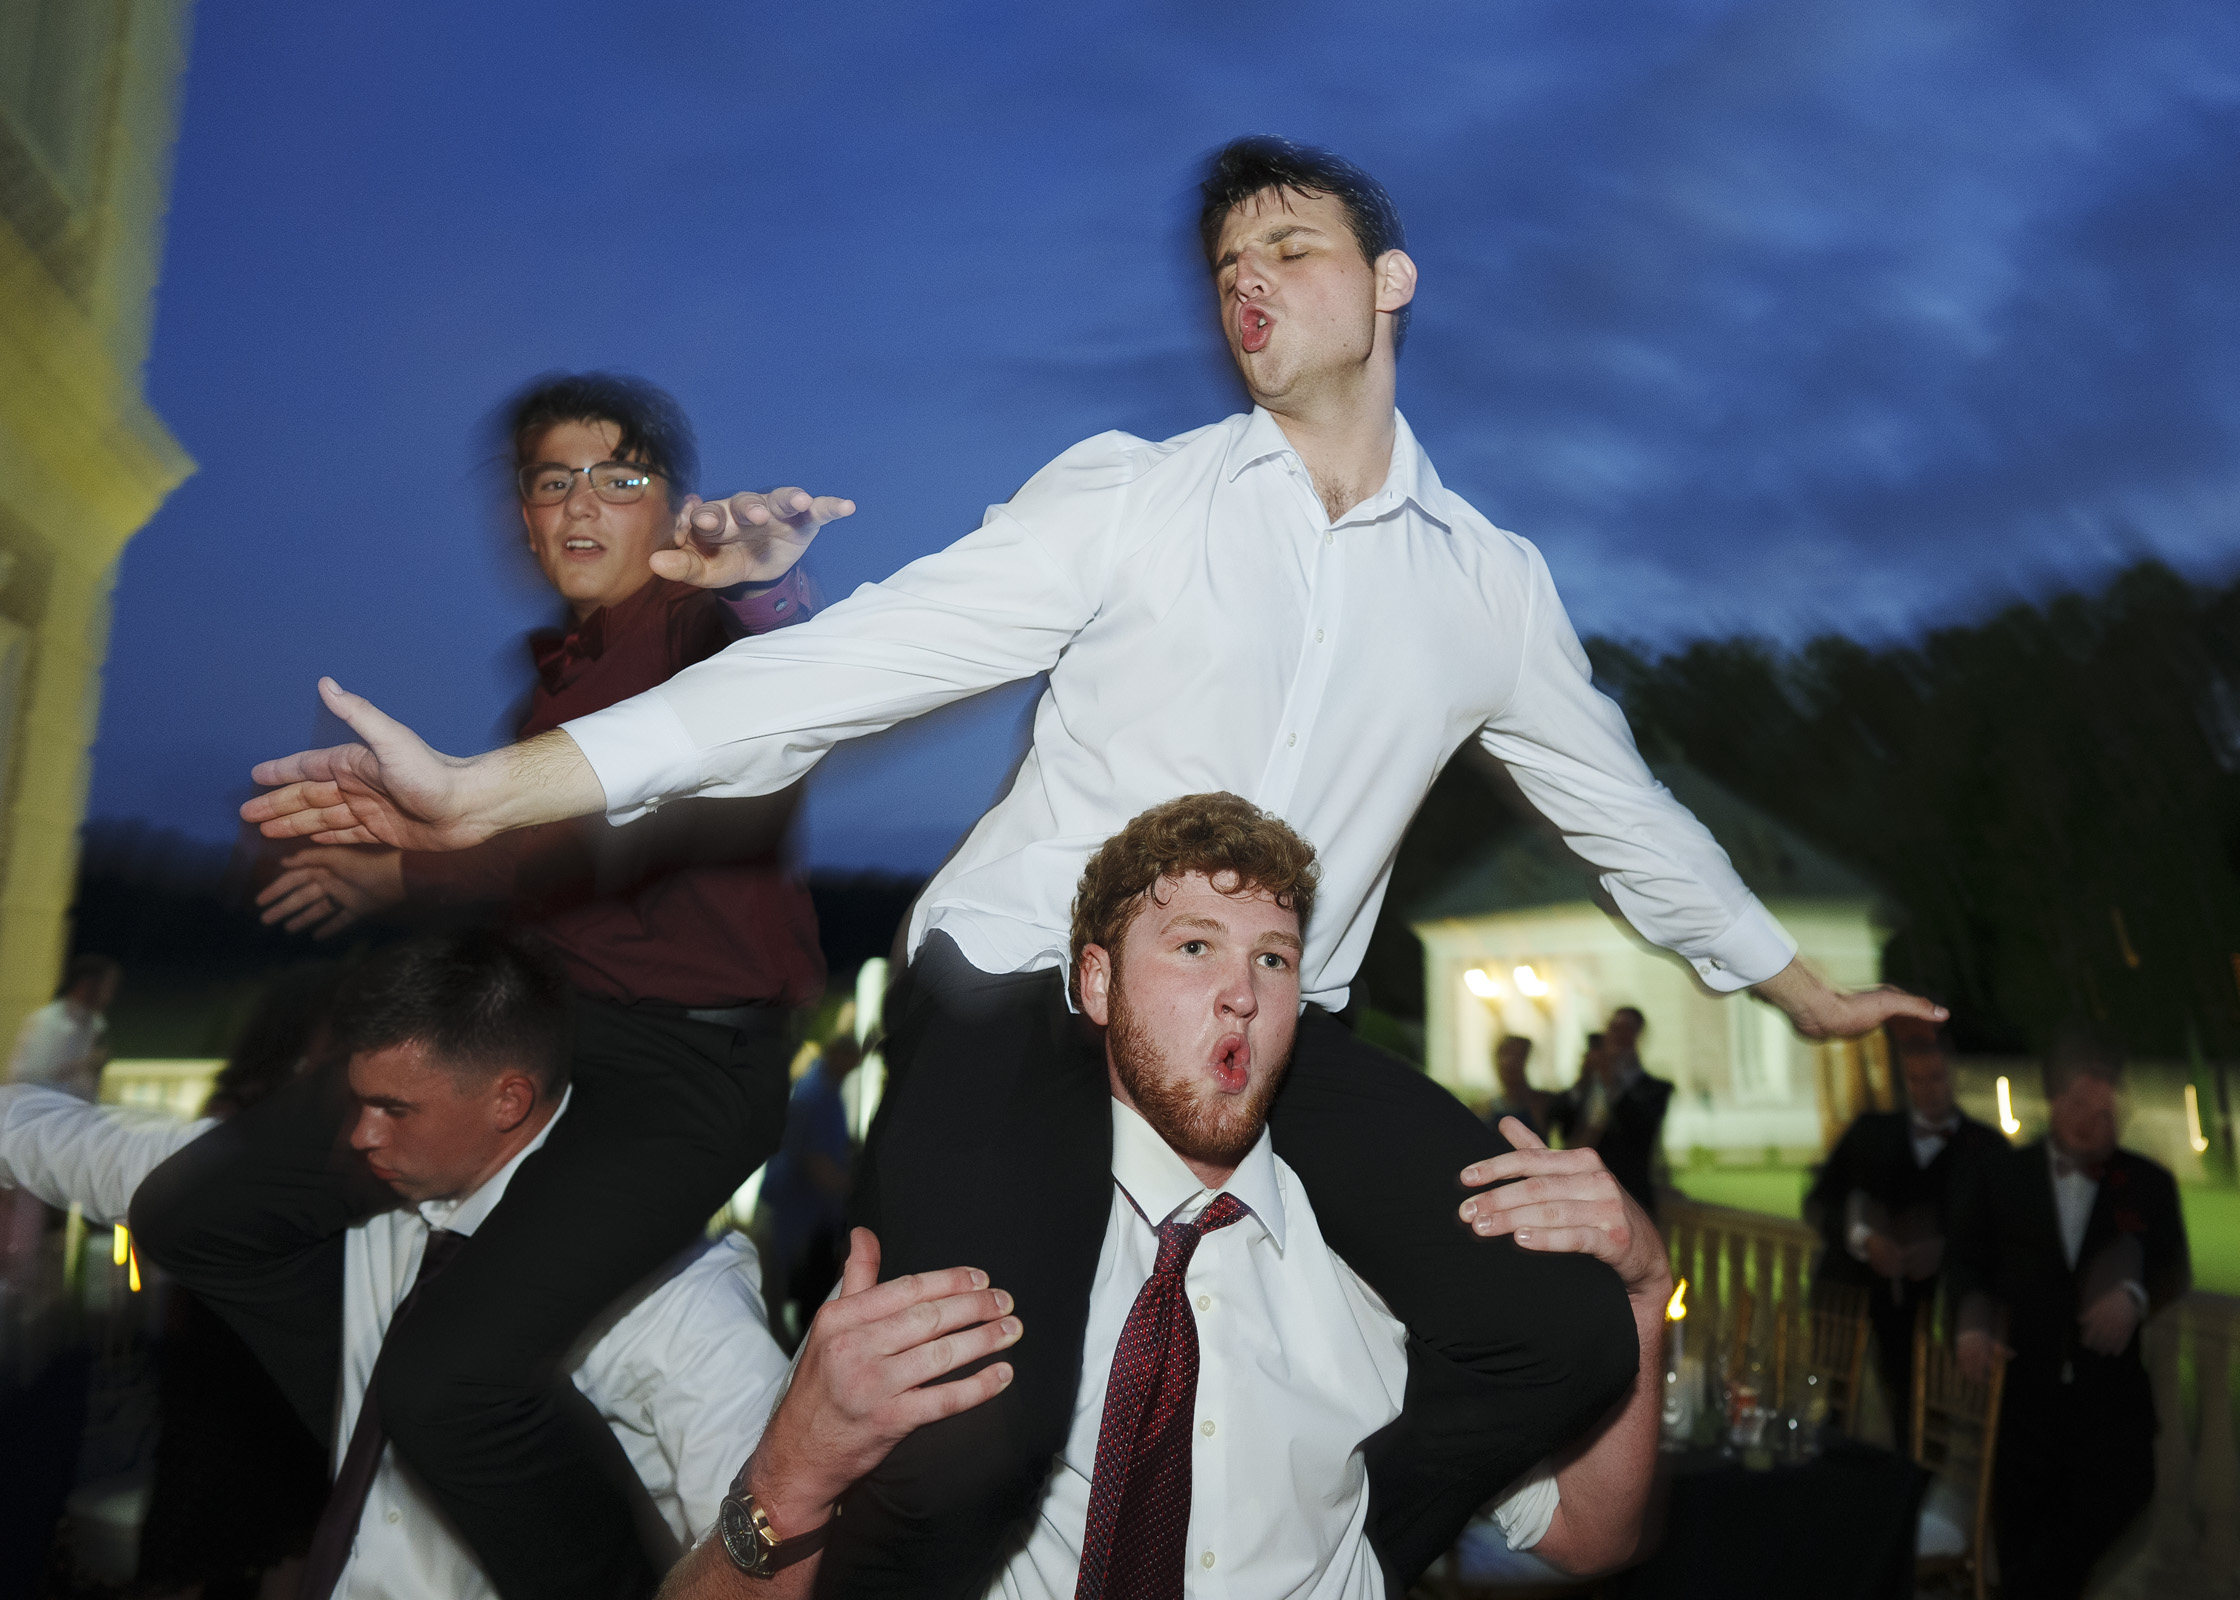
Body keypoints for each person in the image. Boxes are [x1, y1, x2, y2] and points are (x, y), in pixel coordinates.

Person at [237, 138, 1941, 1594]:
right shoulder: (1133, 501)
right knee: (971, 1455)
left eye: (1290, 246)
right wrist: (487, 793)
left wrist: (1786, 981)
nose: (1248, 281)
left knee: (1562, 1335)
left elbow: (1620, 804)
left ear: (1392, 280)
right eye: (1225, 263)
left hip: (1270, 1033)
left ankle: (1324, 1548)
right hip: (1023, 1000)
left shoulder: (1486, 587)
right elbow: (846, 667)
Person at [140, 374, 827, 1599]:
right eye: (553, 478)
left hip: (683, 1072)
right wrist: (392, 876)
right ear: (522, 513)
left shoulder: (687, 631)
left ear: (668, 505)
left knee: (453, 1381)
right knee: (199, 1217)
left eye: (619, 478)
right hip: (547, 1038)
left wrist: (761, 584)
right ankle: (411, 1428)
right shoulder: (553, 685)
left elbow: (780, 680)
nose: (582, 504)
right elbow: (543, 870)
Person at [661, 794, 1673, 1596]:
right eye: (1193, 945)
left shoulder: (1383, 1263)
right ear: (1097, 984)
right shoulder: (990, 1252)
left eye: (1272, 959)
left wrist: (1640, 1286)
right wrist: (787, 1475)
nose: (1243, 989)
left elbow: (1593, 1536)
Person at [32, 932, 789, 1600]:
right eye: (353, 1102)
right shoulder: (373, 1209)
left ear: (508, 1100)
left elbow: (773, 1546)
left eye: (394, 1109)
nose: (359, 1135)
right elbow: (123, 1159)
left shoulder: (684, 1299)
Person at [1950, 1022, 2191, 1599]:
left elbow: (2171, 1265)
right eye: (2079, 1101)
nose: (2092, 1116)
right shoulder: (1998, 1178)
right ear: (2054, 1100)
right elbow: (1966, 1264)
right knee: (2032, 1561)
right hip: (2021, 1415)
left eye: (2104, 1102)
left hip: (2110, 1422)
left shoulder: (2147, 1184)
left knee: (2057, 1564)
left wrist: (2132, 1297)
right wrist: (1970, 1326)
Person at [136, 965, 344, 1600]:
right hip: (230, 1350)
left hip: (261, 1352)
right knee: (217, 1527)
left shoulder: (305, 1117)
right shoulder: (248, 1120)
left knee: (276, 1527)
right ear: (303, 1034)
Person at [1804, 1015, 2008, 1420]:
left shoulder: (1988, 1149)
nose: (1926, 1091)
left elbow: (2007, 1231)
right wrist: (1864, 1237)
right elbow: (1819, 1201)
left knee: (1924, 1423)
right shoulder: (1870, 1132)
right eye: (1916, 1080)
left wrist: (1947, 1250)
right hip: (1855, 1304)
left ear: (1955, 1074)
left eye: (1935, 1078)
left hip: (1942, 1319)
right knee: (1838, 1415)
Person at [761, 1033, 864, 1330]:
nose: (851, 1071)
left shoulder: (827, 1089)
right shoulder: (816, 1092)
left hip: (805, 1216)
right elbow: (818, 1165)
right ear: (837, 1055)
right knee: (785, 1305)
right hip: (795, 1217)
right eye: (850, 1064)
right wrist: (859, 1189)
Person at [1582, 1009, 1673, 1217]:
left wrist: (1610, 1082)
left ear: (1639, 1035)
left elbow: (1641, 1131)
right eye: (1615, 1029)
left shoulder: (1657, 1089)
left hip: (1635, 1199)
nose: (1619, 1036)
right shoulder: (1588, 1086)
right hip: (1590, 1197)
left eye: (1627, 1030)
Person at [8, 952, 120, 1100]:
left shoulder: (97, 1023)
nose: (111, 994)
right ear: (87, 984)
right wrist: (82, 1065)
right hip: (43, 1113)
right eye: (109, 985)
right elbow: (24, 1080)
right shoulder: (48, 1022)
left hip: (76, 1112)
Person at [1481, 1034, 1552, 1134]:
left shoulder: (1544, 1104)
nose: (1509, 1062)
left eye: (1518, 1055)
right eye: (1505, 1054)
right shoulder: (1483, 1109)